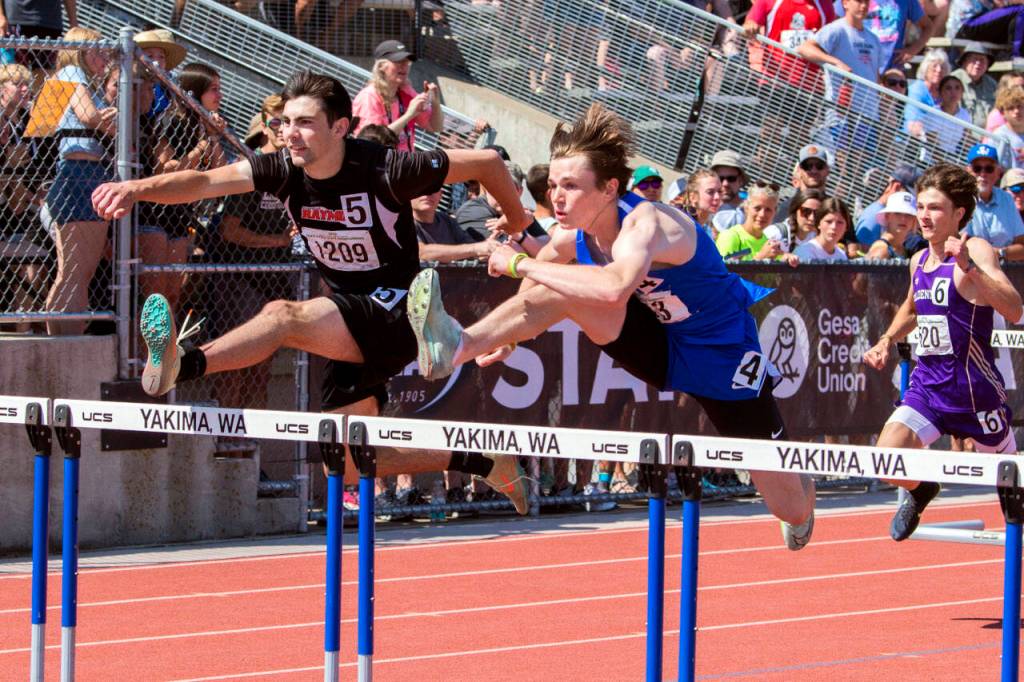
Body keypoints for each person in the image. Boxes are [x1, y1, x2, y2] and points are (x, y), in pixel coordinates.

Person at [90, 70, 530, 513]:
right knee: (346, 462)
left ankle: (181, 366)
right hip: (347, 316)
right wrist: (135, 188)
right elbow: (204, 183)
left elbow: (487, 162)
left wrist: (519, 222)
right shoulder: (281, 170)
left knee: (283, 315)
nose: (289, 133)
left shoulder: (386, 168)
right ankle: (482, 461)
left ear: (339, 127)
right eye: (284, 122)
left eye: (304, 123)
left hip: (399, 313)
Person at [406, 103, 817, 550]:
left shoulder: (648, 224)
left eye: (571, 186)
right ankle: (456, 344)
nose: (557, 198)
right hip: (659, 342)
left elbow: (613, 288)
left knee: (790, 507)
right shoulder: (571, 233)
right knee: (563, 289)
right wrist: (509, 334)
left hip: (725, 359)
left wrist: (519, 261)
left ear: (609, 189)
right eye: (554, 186)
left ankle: (800, 491)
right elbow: (540, 288)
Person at [863, 162, 1023, 541]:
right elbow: (913, 307)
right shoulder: (919, 259)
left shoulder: (976, 249)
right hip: (929, 388)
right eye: (921, 206)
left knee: (1011, 487)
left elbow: (1014, 308)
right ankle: (922, 490)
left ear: (959, 214)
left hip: (975, 394)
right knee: (886, 458)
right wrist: (886, 339)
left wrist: (969, 267)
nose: (924, 216)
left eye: (935, 208)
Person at [41, 26, 115, 335]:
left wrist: (109, 117)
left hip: (93, 175)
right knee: (71, 270)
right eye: (97, 50)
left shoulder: (94, 84)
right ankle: (59, 342)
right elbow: (89, 116)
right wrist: (111, 117)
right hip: (78, 175)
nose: (104, 56)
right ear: (80, 52)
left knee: (82, 272)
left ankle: (69, 337)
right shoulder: (72, 72)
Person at [351, 39, 443, 154]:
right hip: (380, 167)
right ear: (381, 67)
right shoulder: (369, 97)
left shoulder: (406, 93)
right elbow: (373, 142)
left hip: (405, 165)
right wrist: (409, 115)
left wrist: (435, 102)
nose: (404, 66)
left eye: (407, 62)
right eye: (398, 61)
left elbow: (436, 127)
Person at [716, 181, 801, 265]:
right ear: (746, 207)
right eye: (757, 208)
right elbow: (723, 275)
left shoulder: (769, 243)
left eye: (768, 210)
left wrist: (787, 260)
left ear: (775, 212)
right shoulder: (730, 237)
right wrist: (761, 258)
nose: (762, 214)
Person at [964, 143, 1024, 260]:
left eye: (989, 169)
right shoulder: (960, 199)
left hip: (1006, 269)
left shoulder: (1006, 199)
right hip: (971, 268)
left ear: (998, 172)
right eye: (977, 168)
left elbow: (1022, 247)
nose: (983, 174)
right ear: (968, 171)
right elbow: (959, 244)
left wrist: (1000, 253)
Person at [414, 188, 498, 263]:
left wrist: (490, 247)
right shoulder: (402, 222)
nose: (427, 193)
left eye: (433, 187)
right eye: (420, 186)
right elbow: (421, 252)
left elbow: (473, 251)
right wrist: (476, 248)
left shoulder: (448, 221)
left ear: (441, 194)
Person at [855, 162, 921, 244]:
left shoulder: (879, 212)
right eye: (908, 195)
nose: (911, 201)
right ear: (896, 187)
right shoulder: (875, 218)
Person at [765, 187, 826, 253]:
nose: (812, 218)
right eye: (806, 211)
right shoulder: (775, 233)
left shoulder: (816, 238)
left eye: (817, 213)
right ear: (795, 210)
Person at [865, 190, 925, 258]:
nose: (903, 219)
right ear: (887, 216)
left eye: (909, 214)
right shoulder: (881, 251)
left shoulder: (903, 250)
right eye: (897, 213)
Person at [952, 42, 997, 130]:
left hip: (989, 136)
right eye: (974, 59)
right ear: (964, 62)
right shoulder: (953, 81)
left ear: (987, 65)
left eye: (982, 60)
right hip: (960, 134)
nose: (978, 63)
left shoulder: (992, 85)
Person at [793, 197, 851, 262]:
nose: (834, 227)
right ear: (818, 224)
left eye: (840, 222)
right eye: (828, 221)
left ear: (846, 227)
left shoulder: (842, 256)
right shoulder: (804, 251)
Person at [709, 149, 749, 233]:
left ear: (740, 180)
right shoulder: (702, 206)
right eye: (720, 178)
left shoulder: (750, 213)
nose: (725, 184)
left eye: (731, 178)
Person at [679, 168, 723, 239]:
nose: (717, 197)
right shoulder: (682, 227)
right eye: (710, 192)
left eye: (720, 191)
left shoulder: (707, 230)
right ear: (693, 197)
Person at [990, 86, 1024, 170]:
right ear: (1002, 112)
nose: (1017, 111)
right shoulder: (998, 136)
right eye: (1011, 108)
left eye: (1020, 106)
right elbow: (996, 167)